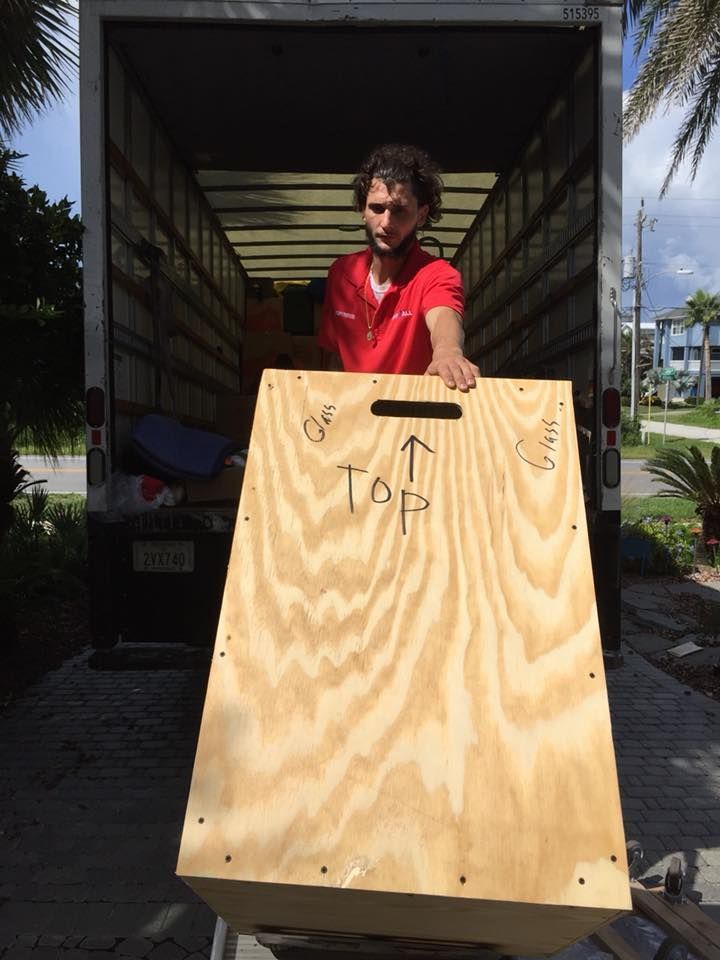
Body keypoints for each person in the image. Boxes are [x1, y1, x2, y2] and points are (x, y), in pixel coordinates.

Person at [318, 144, 479, 392]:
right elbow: (333, 356)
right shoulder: (341, 272)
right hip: (354, 415)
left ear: (421, 215)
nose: (386, 223)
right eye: (377, 208)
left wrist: (448, 353)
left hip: (412, 420)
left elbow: (444, 316)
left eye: (400, 210)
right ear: (363, 210)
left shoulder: (438, 274)